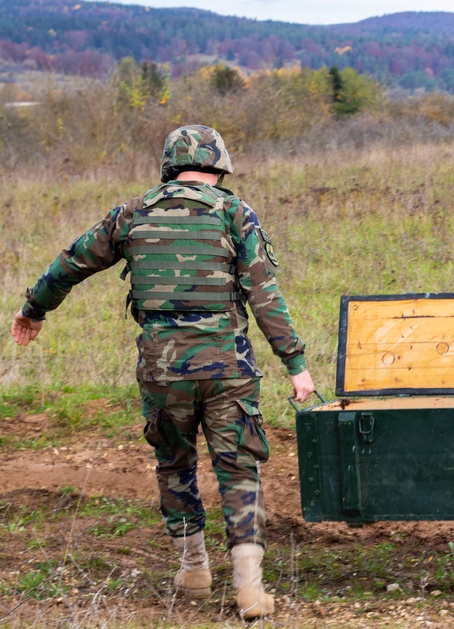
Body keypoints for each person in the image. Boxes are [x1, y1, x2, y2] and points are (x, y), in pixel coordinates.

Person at [10, 125, 314, 620]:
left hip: (162, 369)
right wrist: (295, 364)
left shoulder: (131, 213)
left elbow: (70, 264)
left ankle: (194, 569)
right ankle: (249, 589)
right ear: (219, 165)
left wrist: (35, 309)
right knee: (239, 468)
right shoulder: (235, 212)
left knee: (175, 464)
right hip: (227, 367)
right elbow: (264, 295)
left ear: (169, 165)